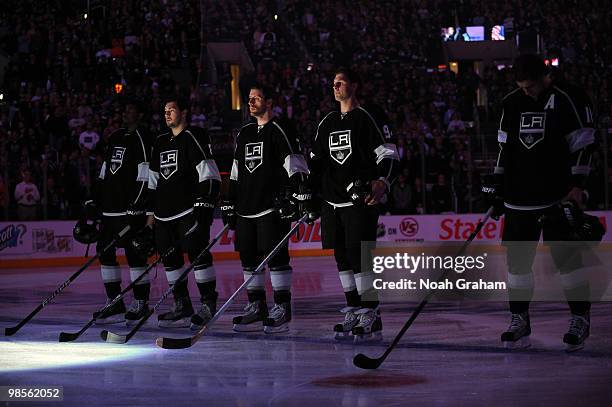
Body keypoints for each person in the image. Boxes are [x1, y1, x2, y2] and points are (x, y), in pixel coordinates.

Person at [485, 54, 596, 351]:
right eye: (522, 87)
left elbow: (585, 144)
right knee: (517, 265)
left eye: (531, 86)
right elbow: (503, 149)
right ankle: (519, 317)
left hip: (557, 197)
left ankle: (580, 317)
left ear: (547, 75)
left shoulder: (568, 97)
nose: (527, 92)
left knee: (568, 262)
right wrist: (497, 187)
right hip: (518, 199)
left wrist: (577, 187)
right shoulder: (511, 102)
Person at [310, 67, 399, 343]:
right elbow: (316, 161)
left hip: (360, 199)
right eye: (333, 82)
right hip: (331, 201)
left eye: (341, 82)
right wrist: (309, 194)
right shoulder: (326, 121)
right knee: (341, 257)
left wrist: (383, 180)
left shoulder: (368, 116)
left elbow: (388, 152)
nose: (335, 86)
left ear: (355, 85)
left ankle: (371, 311)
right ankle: (354, 308)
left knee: (359, 255)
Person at [221, 84, 312, 333]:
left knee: (276, 258)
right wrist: (230, 200)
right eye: (249, 99)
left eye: (257, 98)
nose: (251, 102)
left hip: (271, 207)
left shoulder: (280, 128)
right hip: (245, 208)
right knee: (248, 258)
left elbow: (293, 160)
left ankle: (282, 306)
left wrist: (299, 189)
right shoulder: (245, 132)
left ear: (269, 102)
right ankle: (256, 305)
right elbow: (237, 169)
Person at [147, 96, 221, 330]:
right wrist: (150, 215)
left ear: (184, 112)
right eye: (165, 110)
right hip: (162, 215)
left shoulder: (193, 137)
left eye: (172, 109)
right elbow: (153, 181)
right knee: (170, 261)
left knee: (198, 255)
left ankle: (208, 302)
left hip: (188, 211)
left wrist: (205, 204)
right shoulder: (159, 142)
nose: (167, 114)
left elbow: (209, 173)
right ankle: (182, 304)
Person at [83, 101, 152, 325]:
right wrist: (96, 198)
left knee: (135, 254)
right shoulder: (115, 137)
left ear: (140, 114)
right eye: (125, 109)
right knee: (105, 253)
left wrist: (138, 203)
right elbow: (105, 172)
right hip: (110, 210)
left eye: (130, 109)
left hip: (129, 209)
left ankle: (141, 302)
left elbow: (145, 173)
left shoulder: (142, 137)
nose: (126, 112)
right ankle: (114, 301)